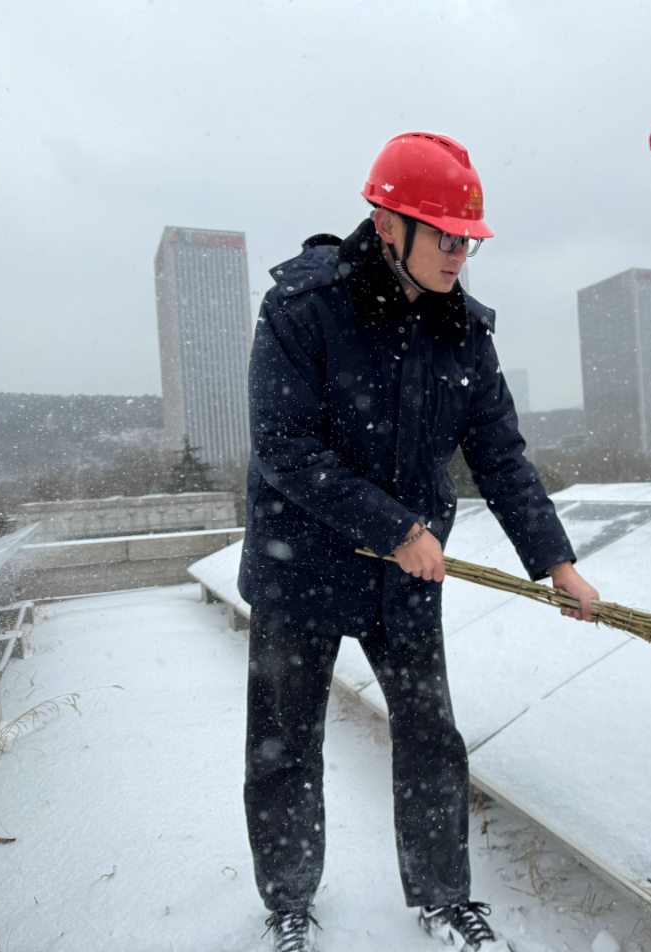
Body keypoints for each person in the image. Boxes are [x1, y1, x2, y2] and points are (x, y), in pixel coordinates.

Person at [237, 131, 599, 952]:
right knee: (285, 745)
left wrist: (557, 564)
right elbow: (285, 449)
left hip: (403, 578)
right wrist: (395, 527)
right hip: (302, 566)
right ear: (387, 222)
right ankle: (288, 903)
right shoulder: (303, 310)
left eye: (468, 239)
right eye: (445, 235)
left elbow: (499, 456)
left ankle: (443, 896)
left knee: (432, 737)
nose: (459, 254)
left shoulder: (462, 333)